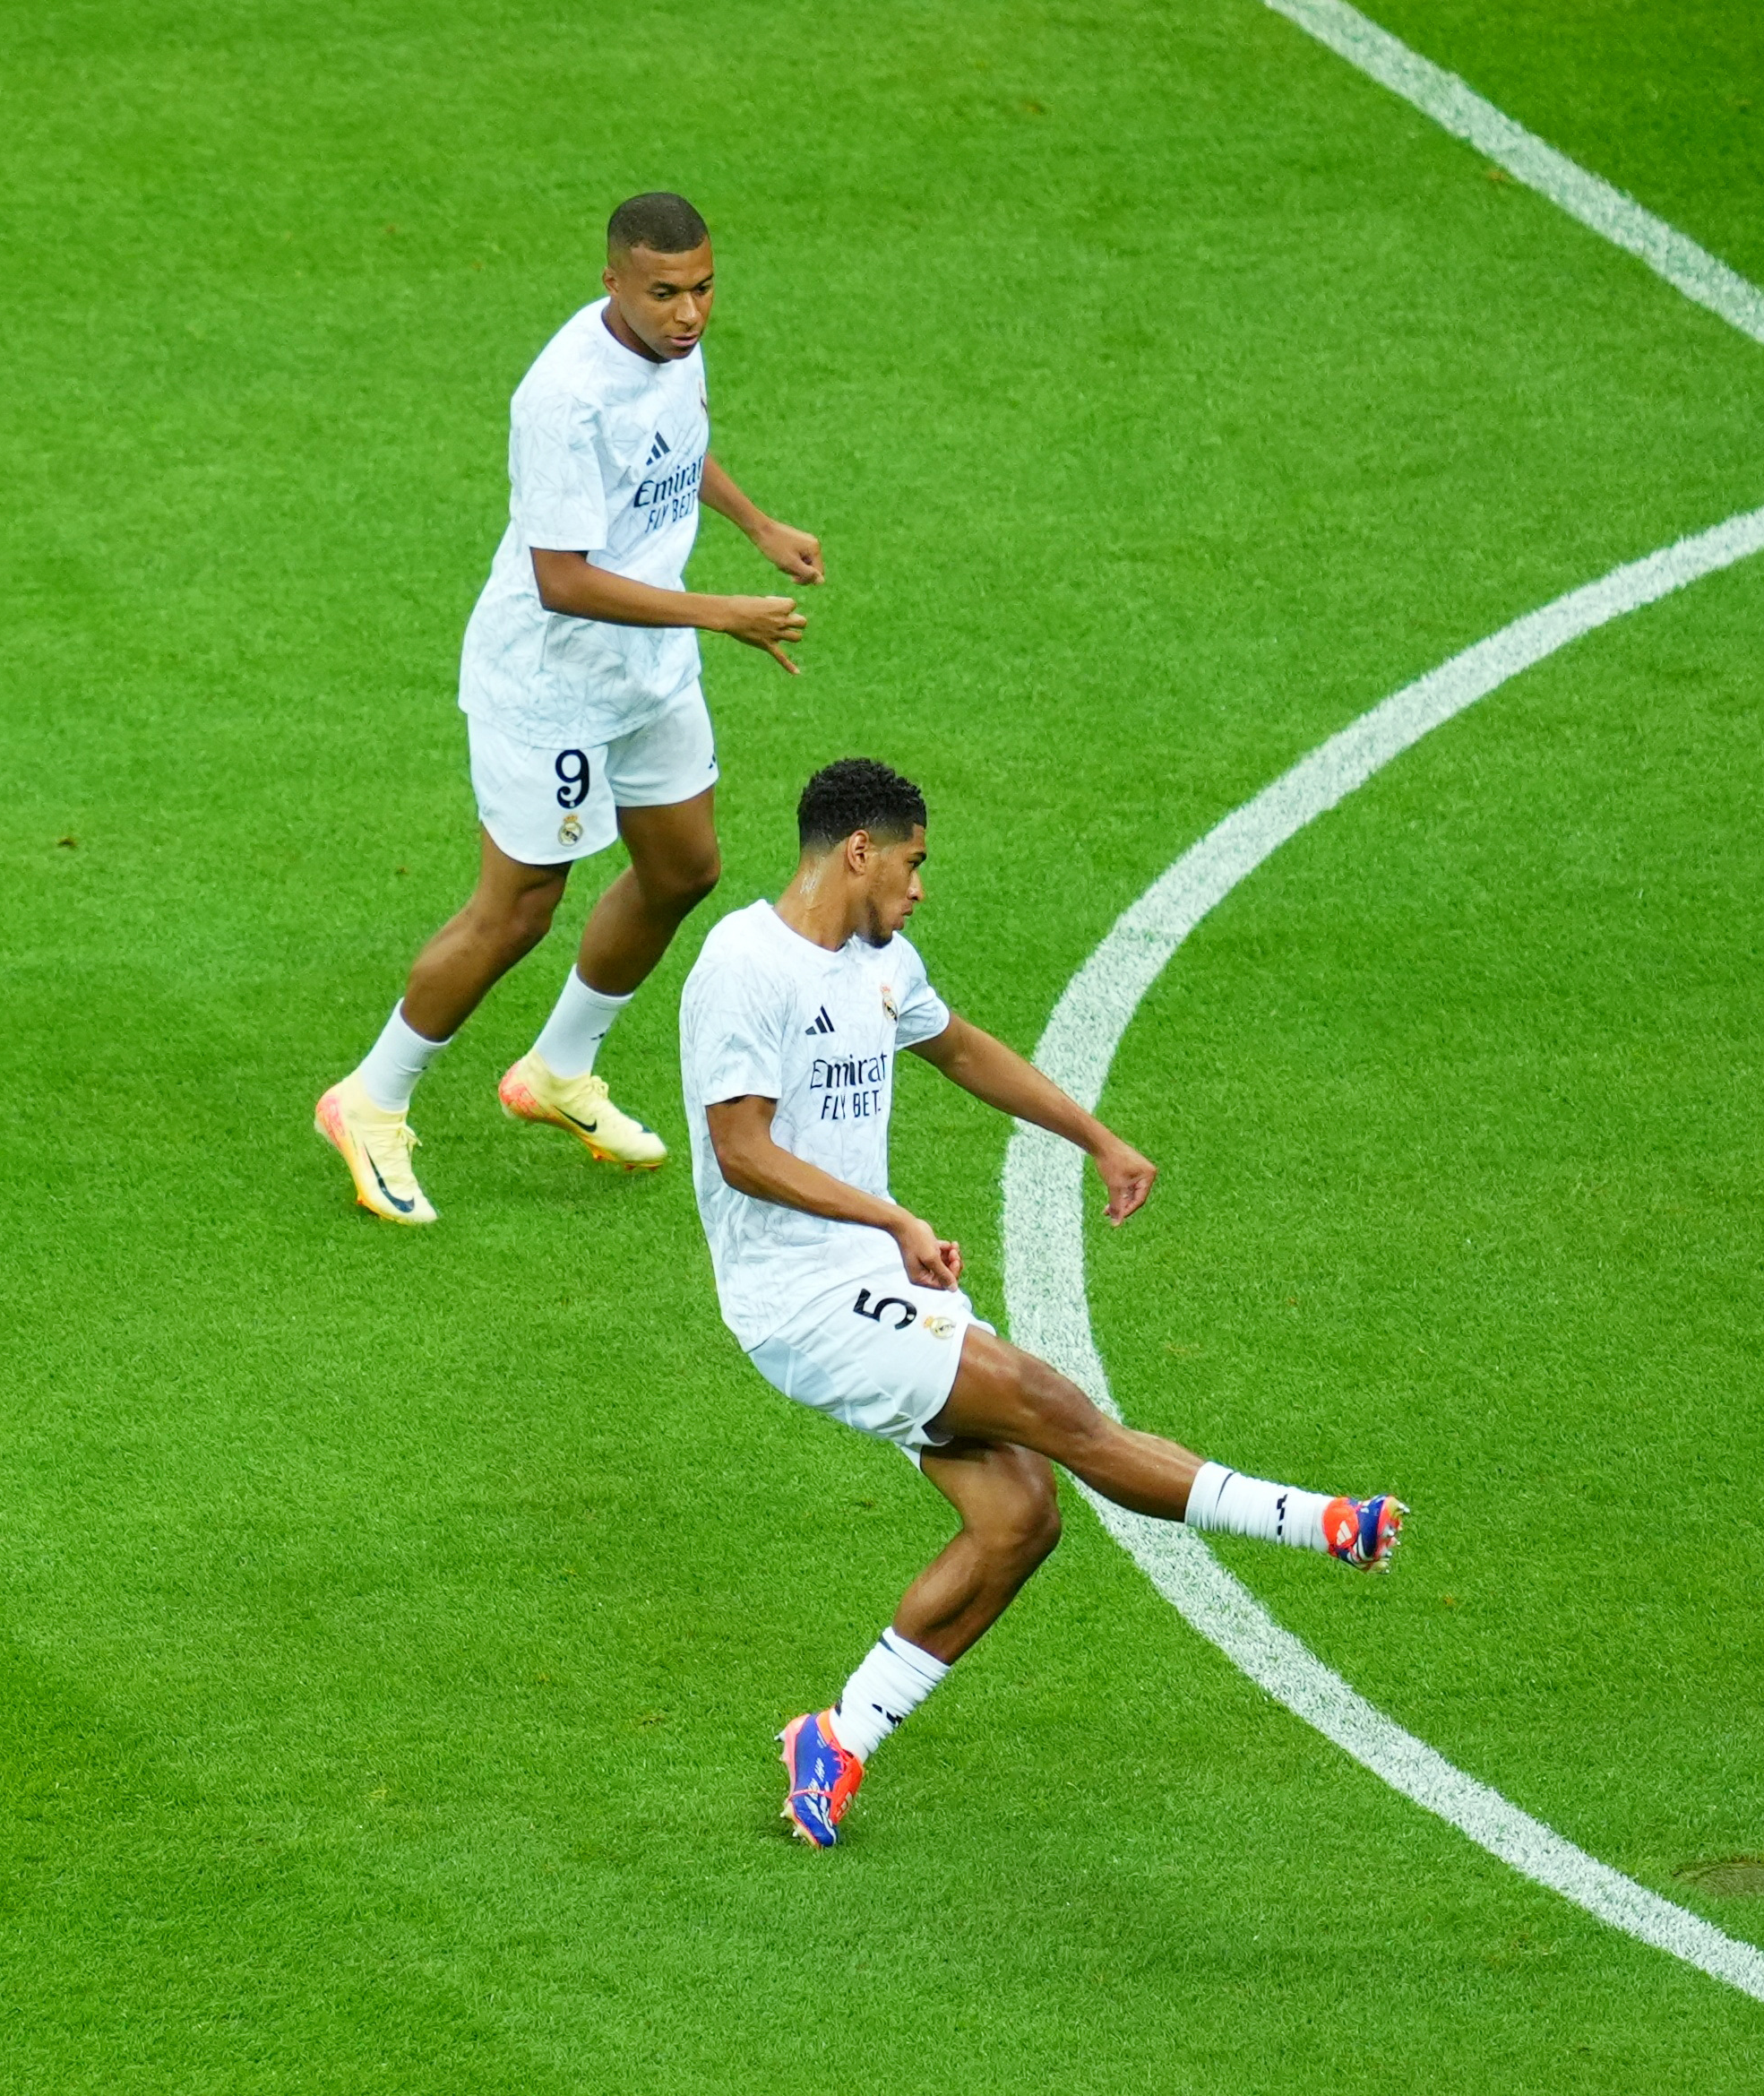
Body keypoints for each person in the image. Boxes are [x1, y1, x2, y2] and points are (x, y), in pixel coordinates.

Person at [680, 758, 1407, 1848]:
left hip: (874, 1281)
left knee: (1019, 1518)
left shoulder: (881, 964)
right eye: (912, 863)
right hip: (799, 1301)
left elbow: (960, 1047)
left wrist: (1094, 1137)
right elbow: (741, 1149)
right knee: (1055, 1407)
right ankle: (1323, 1523)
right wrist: (892, 1218)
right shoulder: (744, 964)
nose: (920, 888)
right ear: (859, 851)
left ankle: (836, 1737)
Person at [316, 191, 822, 1224]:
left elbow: (675, 445)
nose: (689, 313)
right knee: (518, 909)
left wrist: (755, 523)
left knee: (683, 868)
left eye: (703, 288)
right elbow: (562, 578)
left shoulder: (673, 352)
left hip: (647, 669)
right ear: (612, 282)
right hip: (549, 685)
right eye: (665, 293)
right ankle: (369, 1099)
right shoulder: (561, 398)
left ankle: (556, 1068)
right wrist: (721, 612)